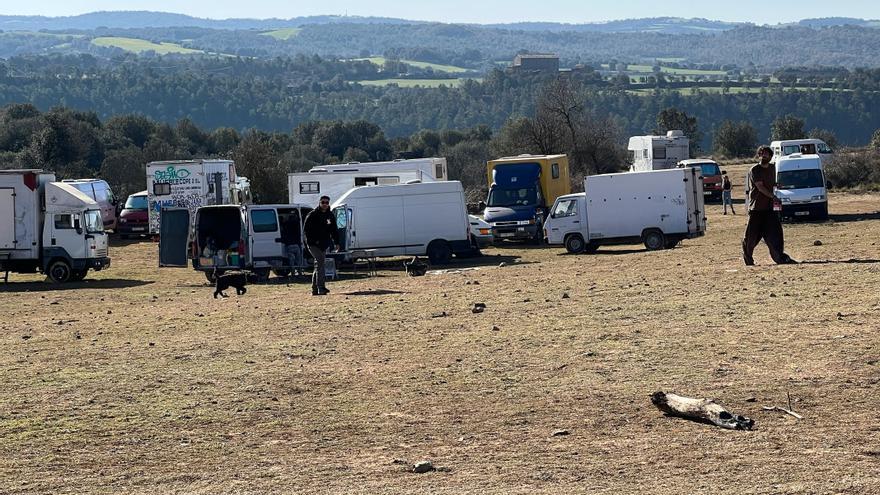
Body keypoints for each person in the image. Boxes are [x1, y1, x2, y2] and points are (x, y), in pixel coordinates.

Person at [742, 145, 796, 266]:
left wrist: (778, 185)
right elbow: (760, 187)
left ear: (771, 156)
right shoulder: (755, 170)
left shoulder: (772, 168)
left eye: (766, 153)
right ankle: (748, 260)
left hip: (770, 209)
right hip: (756, 209)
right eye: (761, 153)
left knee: (775, 235)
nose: (763, 155)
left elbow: (771, 183)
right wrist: (773, 196)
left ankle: (781, 258)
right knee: (751, 237)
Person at [303, 196, 340, 296]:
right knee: (320, 262)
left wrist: (336, 242)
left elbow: (334, 230)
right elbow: (306, 231)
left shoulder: (330, 215)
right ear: (319, 203)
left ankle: (314, 289)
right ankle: (321, 287)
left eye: (326, 202)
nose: (325, 204)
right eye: (323, 202)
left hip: (323, 244)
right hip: (313, 244)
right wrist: (313, 242)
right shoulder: (312, 215)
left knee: (319, 265)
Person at [280, 212, 303, 276]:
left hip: (289, 246)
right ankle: (300, 272)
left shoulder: (286, 226)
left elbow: (282, 224)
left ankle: (293, 273)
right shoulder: (295, 226)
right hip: (296, 246)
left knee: (291, 260)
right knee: (298, 261)